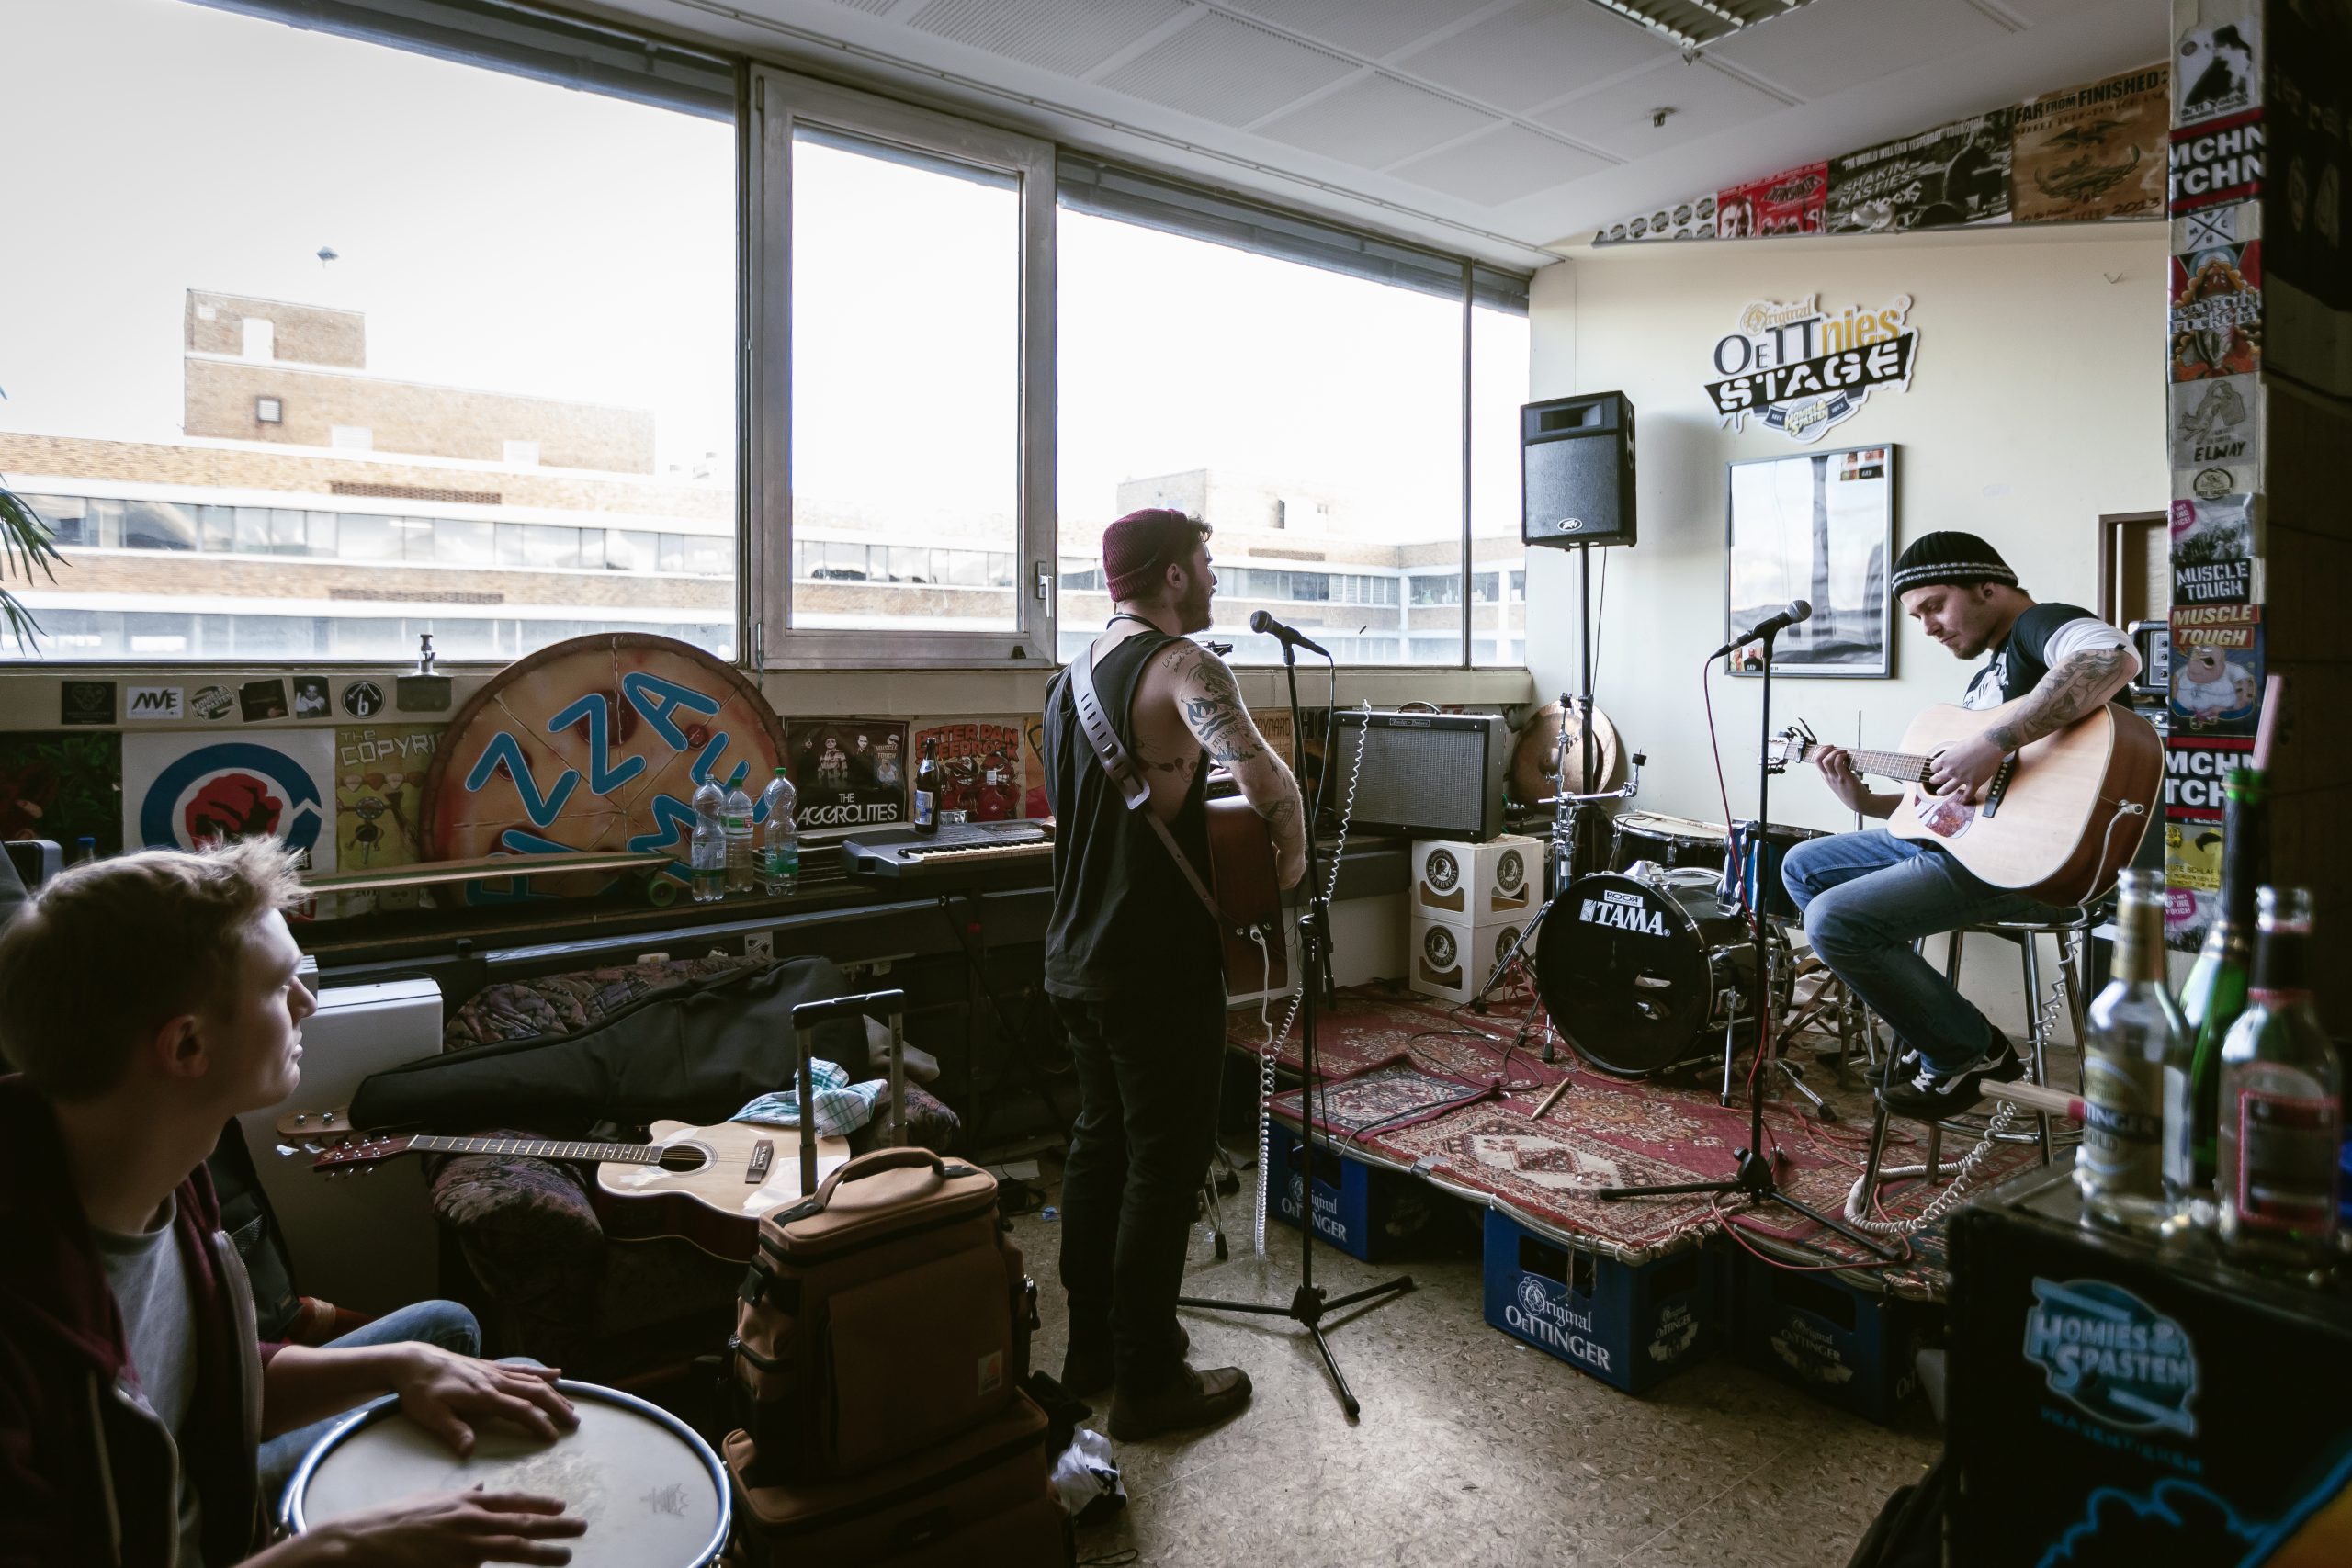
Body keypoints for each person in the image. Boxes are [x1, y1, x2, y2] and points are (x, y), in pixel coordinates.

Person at [0, 839, 587, 1567]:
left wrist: (396, 1363)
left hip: (209, 1492)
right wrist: (324, 1550)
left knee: (444, 1336)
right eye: (281, 985)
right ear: (187, 1047)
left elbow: (200, 1380)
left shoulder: (160, 1161)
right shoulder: (20, 1326)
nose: (307, 1001)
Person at [1041, 508, 1306, 1442]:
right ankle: (1151, 1377)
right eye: (1207, 564)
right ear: (1174, 579)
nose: (1216, 581)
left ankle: (1092, 1352)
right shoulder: (1187, 668)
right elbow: (1269, 785)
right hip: (1153, 965)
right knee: (1165, 1162)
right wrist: (1289, 864)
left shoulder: (1066, 679)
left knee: (1098, 1148)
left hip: (1075, 956)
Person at [1783, 531, 2140, 1118]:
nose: (1927, 627)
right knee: (1803, 866)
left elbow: (2111, 656)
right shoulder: (1987, 680)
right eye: (1916, 615)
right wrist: (1869, 801)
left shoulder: (2036, 627)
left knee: (1832, 918)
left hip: (2043, 867)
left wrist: (1993, 741)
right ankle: (1931, 1029)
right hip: (1974, 853)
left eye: (1933, 606)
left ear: (1987, 587)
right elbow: (1964, 815)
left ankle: (1968, 1053)